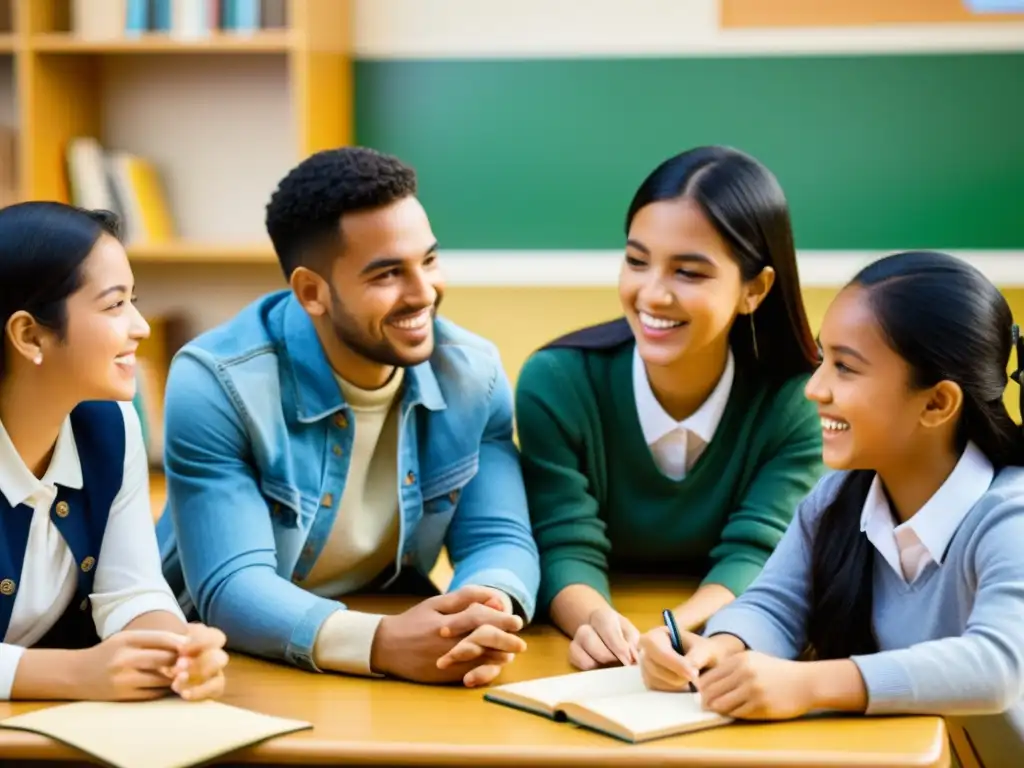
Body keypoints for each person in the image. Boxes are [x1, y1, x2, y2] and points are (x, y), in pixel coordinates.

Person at [157, 147, 540, 688]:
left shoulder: (473, 374)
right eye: (387, 275)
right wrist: (382, 644)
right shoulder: (218, 383)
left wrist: (482, 612)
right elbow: (231, 585)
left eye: (429, 260)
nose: (424, 293)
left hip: (379, 627)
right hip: (218, 658)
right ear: (312, 292)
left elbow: (498, 536)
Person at [638, 251, 1024, 764]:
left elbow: (996, 665)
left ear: (936, 403)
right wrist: (719, 648)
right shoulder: (839, 497)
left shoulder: (1009, 517)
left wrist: (811, 684)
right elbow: (775, 605)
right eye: (823, 359)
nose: (814, 388)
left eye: (845, 367)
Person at [515, 146, 825, 670]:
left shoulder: (796, 400)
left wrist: (673, 631)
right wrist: (599, 626)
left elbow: (758, 553)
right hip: (586, 645)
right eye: (637, 261)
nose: (652, 294)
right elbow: (564, 544)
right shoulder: (557, 383)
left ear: (755, 289)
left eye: (689, 272)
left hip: (722, 643)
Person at [0, 201, 228, 702]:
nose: (141, 327)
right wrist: (71, 675)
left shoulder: (111, 423)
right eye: (114, 305)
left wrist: (174, 649)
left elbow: (131, 588)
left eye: (133, 300)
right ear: (29, 334)